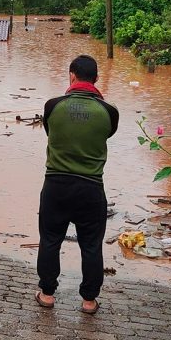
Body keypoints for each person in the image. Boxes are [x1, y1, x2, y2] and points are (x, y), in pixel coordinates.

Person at [35, 54, 119, 314]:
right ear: (97, 78)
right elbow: (106, 134)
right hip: (91, 188)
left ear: (71, 75)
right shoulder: (109, 111)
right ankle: (89, 301)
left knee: (50, 240)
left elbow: (51, 133)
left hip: (56, 185)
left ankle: (47, 294)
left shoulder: (52, 106)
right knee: (91, 245)